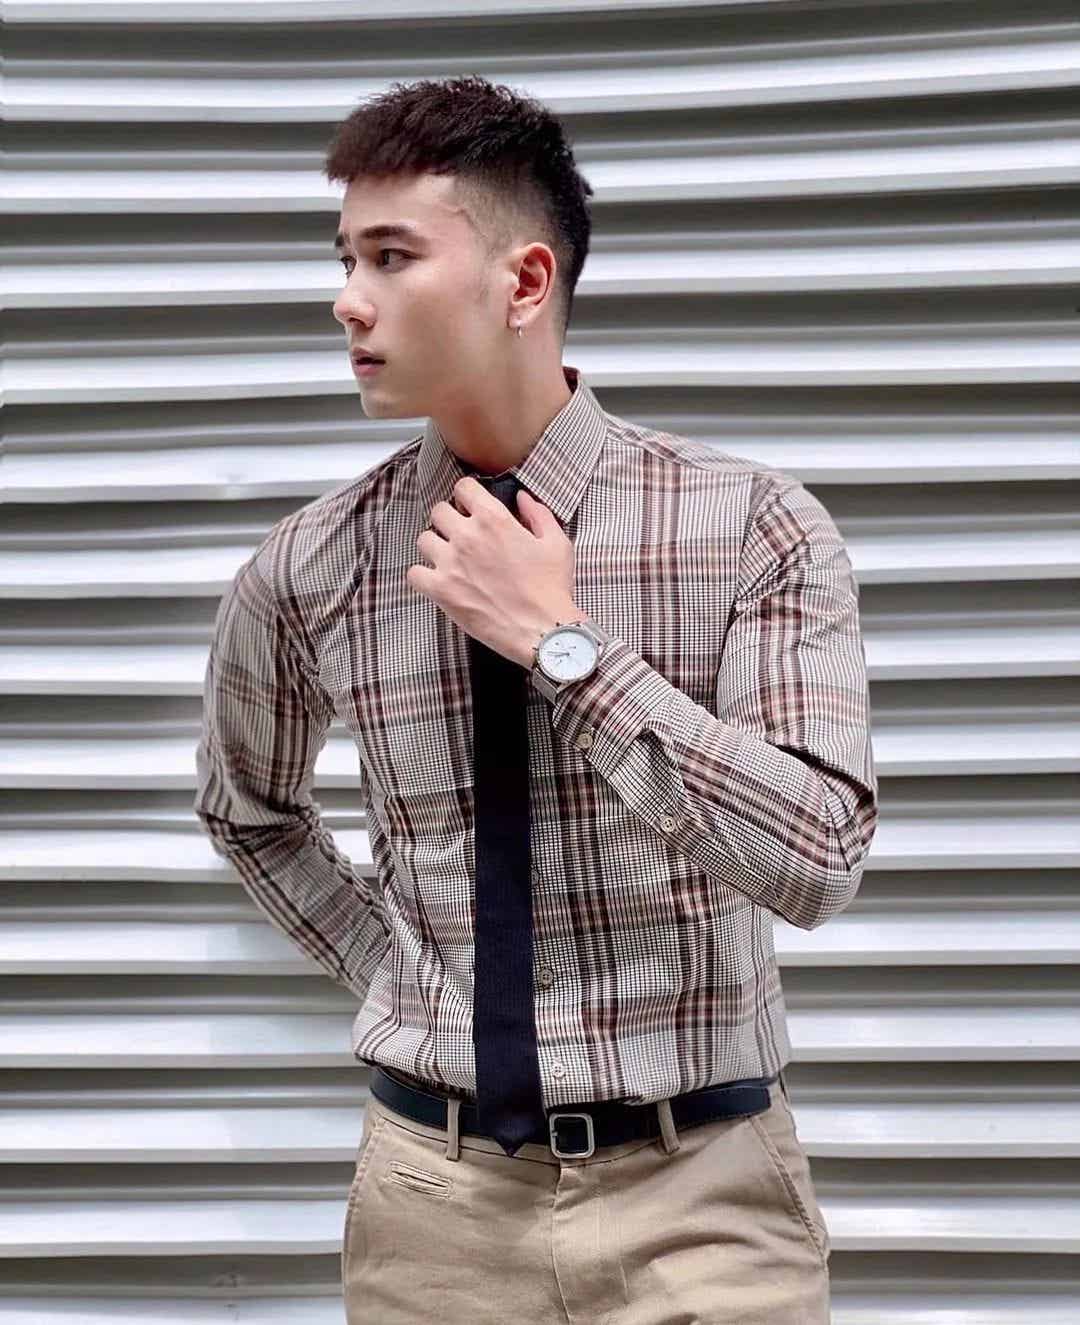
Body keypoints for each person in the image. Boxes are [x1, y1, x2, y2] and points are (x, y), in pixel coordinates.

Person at [194, 73, 877, 1324]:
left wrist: (561, 645)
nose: (348, 298)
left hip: (706, 1197)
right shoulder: (312, 563)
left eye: (392, 256)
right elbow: (248, 809)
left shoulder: (750, 525)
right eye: (345, 258)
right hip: (432, 1212)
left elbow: (819, 855)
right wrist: (405, 970)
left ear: (523, 282)